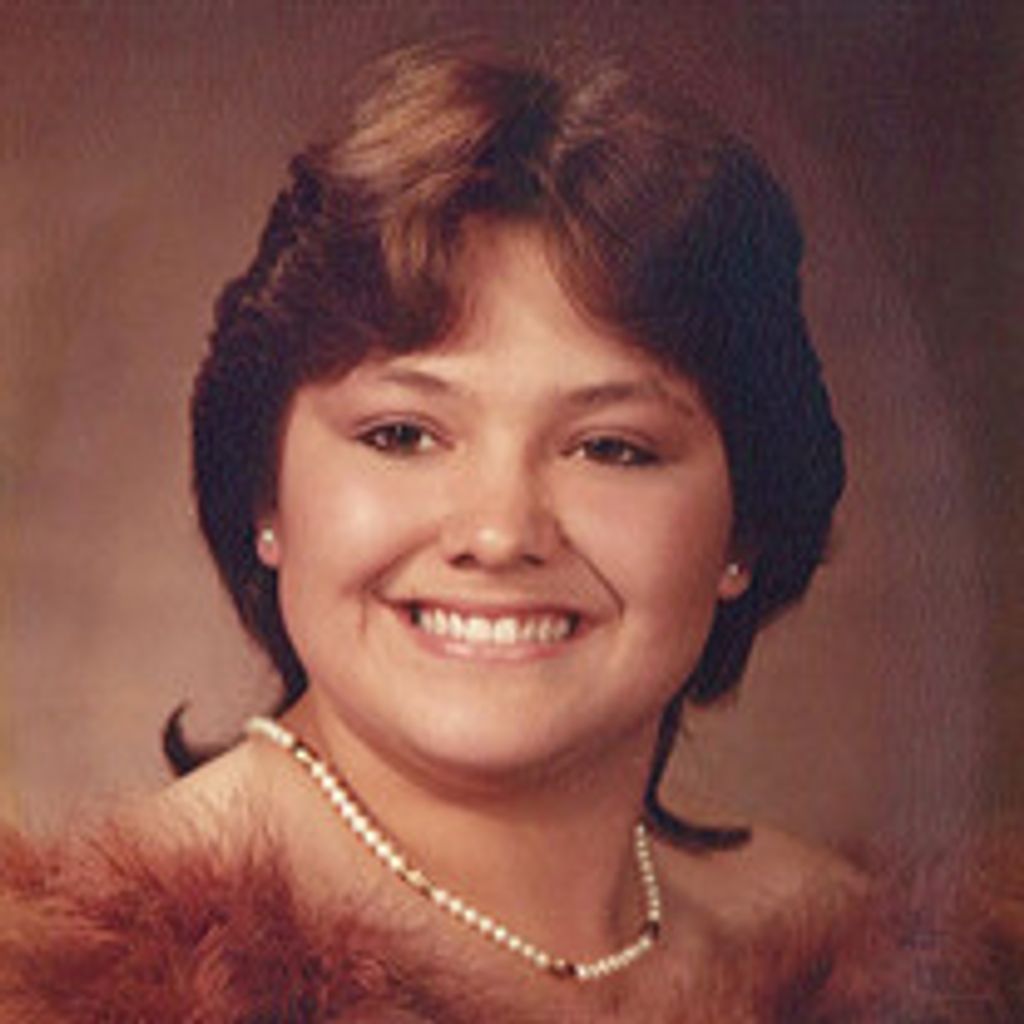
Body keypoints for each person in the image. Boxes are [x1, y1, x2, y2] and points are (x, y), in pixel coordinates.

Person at [1, 44, 1019, 1022]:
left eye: (611, 447)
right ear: (265, 496)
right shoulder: (80, 984)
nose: (498, 534)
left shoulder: (863, 959)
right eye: (402, 435)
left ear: (743, 531)